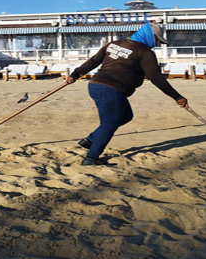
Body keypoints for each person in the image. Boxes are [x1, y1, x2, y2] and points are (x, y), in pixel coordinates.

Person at [66, 22, 188, 166]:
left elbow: (93, 61)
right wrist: (176, 96)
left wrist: (76, 74)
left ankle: (90, 140)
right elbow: (155, 77)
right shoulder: (145, 52)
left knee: (126, 116)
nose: (157, 44)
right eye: (157, 40)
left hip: (96, 86)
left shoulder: (114, 44)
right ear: (150, 36)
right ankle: (91, 158)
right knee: (109, 124)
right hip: (111, 89)